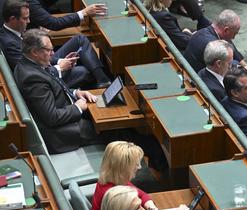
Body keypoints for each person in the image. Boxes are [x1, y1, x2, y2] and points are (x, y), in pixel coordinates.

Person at [13, 29, 167, 167]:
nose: (53, 54)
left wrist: (75, 93)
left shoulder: (31, 64)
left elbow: (53, 86)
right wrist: (78, 107)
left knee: (111, 115)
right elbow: (52, 117)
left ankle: (152, 154)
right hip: (62, 133)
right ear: (34, 51)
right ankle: (156, 154)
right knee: (115, 131)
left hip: (65, 112)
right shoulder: (32, 78)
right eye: (49, 50)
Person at [91, 141, 190, 210]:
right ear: (123, 168)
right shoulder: (114, 193)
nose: (139, 167)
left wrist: (151, 206)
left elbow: (140, 193)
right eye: (135, 164)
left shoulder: (113, 179)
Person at [0, 0, 110, 88]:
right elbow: (31, 72)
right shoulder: (10, 44)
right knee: (84, 71)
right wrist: (59, 67)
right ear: (13, 19)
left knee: (80, 40)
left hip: (44, 61)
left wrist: (59, 60)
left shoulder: (15, 32)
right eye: (25, 18)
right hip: (44, 78)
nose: (29, 21)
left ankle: (104, 81)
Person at [182, 9, 247, 76]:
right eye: (234, 33)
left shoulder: (208, 30)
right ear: (226, 30)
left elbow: (231, 47)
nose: (233, 37)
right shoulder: (213, 45)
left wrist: (245, 66)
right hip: (198, 80)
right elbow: (228, 71)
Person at [26, 0, 106, 31]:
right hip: (38, 35)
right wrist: (84, 12)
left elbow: (44, 2)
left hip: (43, 24)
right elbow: (55, 24)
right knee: (81, 39)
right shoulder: (29, 2)